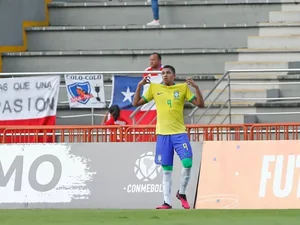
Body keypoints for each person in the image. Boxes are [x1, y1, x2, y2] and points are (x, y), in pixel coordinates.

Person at [133, 65, 204, 209]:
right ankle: (167, 202)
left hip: (179, 133)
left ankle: (182, 193)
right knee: (166, 170)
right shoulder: (154, 88)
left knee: (188, 162)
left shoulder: (182, 88)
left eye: (168, 73)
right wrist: (139, 86)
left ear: (174, 75)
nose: (165, 75)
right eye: (163, 73)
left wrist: (196, 88)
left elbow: (200, 104)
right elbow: (135, 103)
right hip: (163, 134)